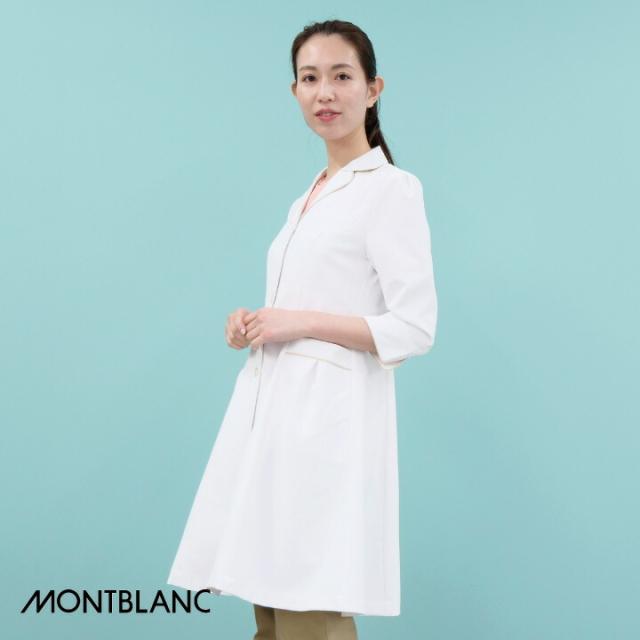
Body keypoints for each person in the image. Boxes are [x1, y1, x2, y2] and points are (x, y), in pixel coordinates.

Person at [167, 18, 438, 640]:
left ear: (373, 89)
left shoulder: (391, 190)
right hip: (272, 420)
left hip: (326, 428)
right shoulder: (308, 198)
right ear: (294, 92)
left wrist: (298, 322)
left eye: (342, 76)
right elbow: (307, 302)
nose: (325, 93)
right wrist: (255, 323)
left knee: (307, 610)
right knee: (269, 609)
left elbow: (414, 327)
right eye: (310, 79)